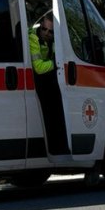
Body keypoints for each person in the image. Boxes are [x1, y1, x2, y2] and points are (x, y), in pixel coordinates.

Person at [30, 15, 69, 155]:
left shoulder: (53, 41)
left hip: (47, 80)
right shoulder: (33, 39)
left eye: (50, 31)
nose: (46, 33)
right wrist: (56, 63)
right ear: (40, 26)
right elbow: (39, 68)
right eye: (44, 29)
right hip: (36, 81)